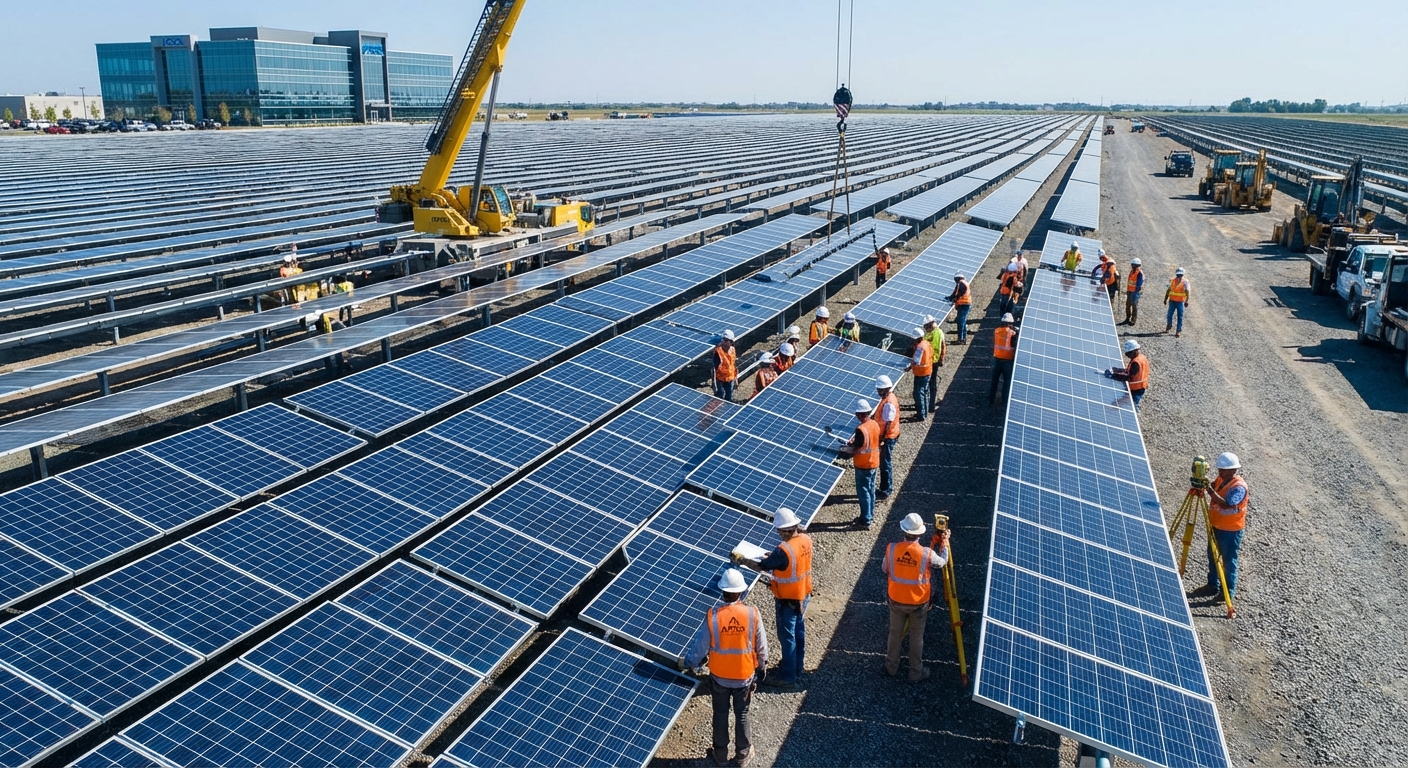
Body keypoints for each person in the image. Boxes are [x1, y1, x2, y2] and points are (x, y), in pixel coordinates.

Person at [683, 568, 769, 767]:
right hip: (744, 677)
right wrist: (762, 665)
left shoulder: (713, 616)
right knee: (742, 715)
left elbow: (700, 647)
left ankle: (720, 755)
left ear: (722, 592)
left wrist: (690, 663)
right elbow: (762, 645)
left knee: (720, 713)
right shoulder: (752, 614)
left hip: (719, 677)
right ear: (741, 592)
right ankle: (742, 755)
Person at [736, 508, 811, 691]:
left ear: (785, 530)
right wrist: (775, 558)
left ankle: (787, 677)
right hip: (803, 595)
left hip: (788, 600)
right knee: (798, 632)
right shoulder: (805, 539)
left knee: (787, 638)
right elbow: (789, 562)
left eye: (779, 530)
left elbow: (762, 566)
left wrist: (742, 560)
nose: (778, 533)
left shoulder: (783, 550)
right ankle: (796, 667)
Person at [882, 513, 951, 681]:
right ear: (920, 533)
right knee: (916, 637)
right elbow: (942, 562)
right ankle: (915, 672)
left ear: (903, 531)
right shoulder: (927, 554)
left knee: (894, 634)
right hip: (919, 604)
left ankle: (891, 667)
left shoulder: (891, 548)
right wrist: (945, 544)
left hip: (896, 600)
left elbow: (885, 569)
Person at [1205, 452, 1248, 617]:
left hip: (1231, 531)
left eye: (1223, 470)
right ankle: (1212, 584)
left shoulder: (1239, 487)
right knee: (1212, 555)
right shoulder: (1221, 479)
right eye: (1219, 469)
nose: (1219, 473)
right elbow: (1214, 486)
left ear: (1233, 470)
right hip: (1216, 526)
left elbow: (1227, 503)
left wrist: (1209, 491)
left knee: (1229, 562)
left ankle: (1227, 593)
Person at [840, 399, 881, 529]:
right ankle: (870, 514)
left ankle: (865, 519)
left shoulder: (861, 429)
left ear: (859, 414)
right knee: (871, 489)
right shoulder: (874, 424)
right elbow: (869, 442)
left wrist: (845, 449)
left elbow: (857, 447)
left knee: (863, 492)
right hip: (874, 462)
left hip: (863, 465)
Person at [873, 376, 901, 500]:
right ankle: (886, 487)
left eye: (879, 390)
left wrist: (882, 439)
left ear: (885, 389)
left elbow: (888, 424)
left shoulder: (889, 403)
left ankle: (886, 490)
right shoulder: (889, 397)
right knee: (884, 462)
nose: (878, 392)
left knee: (885, 464)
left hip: (888, 437)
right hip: (890, 434)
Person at [1108, 339, 1150, 411]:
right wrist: (1116, 370)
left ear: (1134, 351)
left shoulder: (1136, 363)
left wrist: (1113, 376)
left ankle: (1134, 410)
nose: (1127, 355)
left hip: (1136, 388)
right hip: (1140, 387)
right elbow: (1129, 371)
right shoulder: (1141, 357)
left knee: (1132, 404)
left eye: (1128, 353)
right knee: (1129, 402)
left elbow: (1128, 377)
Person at [988, 313, 1018, 404]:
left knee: (994, 381)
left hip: (997, 359)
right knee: (1006, 382)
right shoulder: (1012, 333)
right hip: (1008, 361)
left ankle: (991, 399)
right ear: (1010, 323)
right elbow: (1014, 343)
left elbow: (993, 342)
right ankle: (1004, 401)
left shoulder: (996, 331)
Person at [907, 329, 935, 421]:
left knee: (919, 394)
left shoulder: (920, 347)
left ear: (917, 338)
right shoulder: (926, 343)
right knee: (925, 392)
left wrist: (908, 367)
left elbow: (916, 361)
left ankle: (921, 414)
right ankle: (925, 412)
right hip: (928, 371)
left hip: (921, 374)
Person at [920, 315, 946, 412]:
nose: (925, 329)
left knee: (931, 383)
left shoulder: (937, 333)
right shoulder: (931, 332)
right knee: (929, 383)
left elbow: (939, 348)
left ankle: (931, 405)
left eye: (926, 327)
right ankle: (926, 403)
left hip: (932, 362)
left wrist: (940, 359)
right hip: (929, 361)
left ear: (931, 324)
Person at [945, 274, 972, 343]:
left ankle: (961, 339)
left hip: (964, 305)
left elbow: (961, 293)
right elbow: (955, 293)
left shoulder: (962, 283)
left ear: (958, 278)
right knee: (962, 321)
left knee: (961, 322)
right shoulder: (960, 284)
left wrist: (955, 299)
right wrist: (950, 298)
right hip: (963, 305)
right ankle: (962, 338)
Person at [713, 330, 737, 402]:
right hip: (721, 380)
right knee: (721, 398)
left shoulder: (732, 350)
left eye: (727, 341)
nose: (724, 342)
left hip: (731, 378)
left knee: (729, 397)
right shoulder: (718, 351)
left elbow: (734, 364)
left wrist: (736, 378)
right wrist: (714, 383)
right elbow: (714, 368)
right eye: (724, 340)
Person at [1165, 267, 1189, 337]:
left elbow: (1187, 291)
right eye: (1178, 275)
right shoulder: (1171, 281)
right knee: (1169, 315)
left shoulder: (1185, 282)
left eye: (1180, 275)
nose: (1179, 276)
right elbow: (1168, 290)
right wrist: (1165, 299)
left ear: (1183, 275)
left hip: (1180, 302)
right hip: (1172, 301)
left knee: (1180, 317)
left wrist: (1187, 301)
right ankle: (1168, 326)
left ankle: (1178, 331)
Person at [1122, 258, 1145, 326]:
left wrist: (1136, 291)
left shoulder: (1140, 273)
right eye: (1132, 265)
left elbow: (1139, 284)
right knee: (1128, 305)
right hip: (1130, 291)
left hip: (1135, 292)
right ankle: (1127, 318)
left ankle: (1133, 320)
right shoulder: (1132, 271)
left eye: (1134, 265)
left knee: (1134, 305)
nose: (1133, 266)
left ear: (1138, 265)